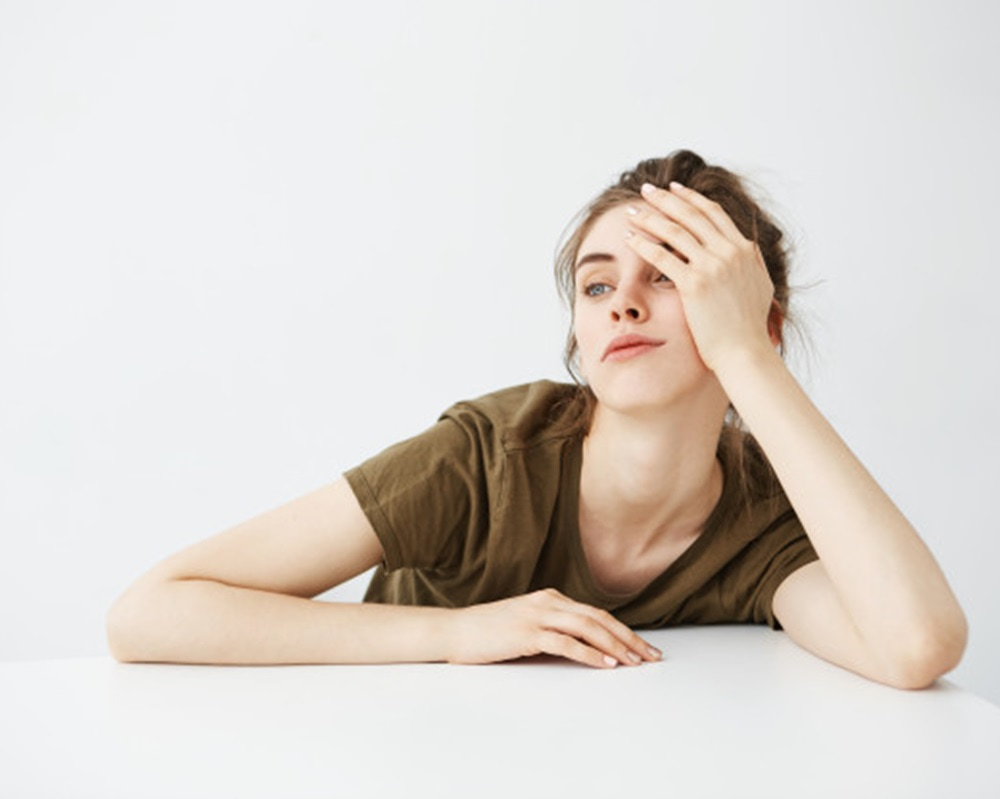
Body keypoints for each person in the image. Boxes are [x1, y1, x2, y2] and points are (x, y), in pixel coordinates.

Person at [106, 149, 967, 688]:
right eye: (597, 285)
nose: (623, 304)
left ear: (755, 313)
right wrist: (458, 633)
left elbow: (915, 647)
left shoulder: (769, 509)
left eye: (669, 274)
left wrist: (748, 354)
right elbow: (150, 612)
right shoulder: (488, 457)